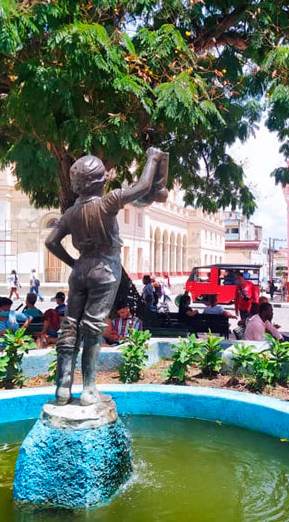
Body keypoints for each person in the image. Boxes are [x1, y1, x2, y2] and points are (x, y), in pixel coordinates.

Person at [44, 147, 168, 405]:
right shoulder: (107, 202)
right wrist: (153, 158)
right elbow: (144, 186)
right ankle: (89, 390)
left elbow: (51, 242)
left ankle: (62, 388)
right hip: (104, 270)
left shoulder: (70, 213)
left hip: (80, 272)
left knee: (69, 325)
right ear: (100, 183)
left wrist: (74, 263)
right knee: (92, 328)